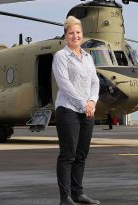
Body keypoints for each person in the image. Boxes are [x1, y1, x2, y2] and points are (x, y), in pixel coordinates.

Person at [52, 16, 100, 205]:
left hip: (87, 110)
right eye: (71, 33)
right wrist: (83, 103)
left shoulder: (88, 57)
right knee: (68, 154)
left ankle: (78, 193)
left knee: (81, 154)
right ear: (66, 35)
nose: (75, 36)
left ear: (82, 34)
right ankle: (65, 198)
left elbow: (95, 81)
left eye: (78, 32)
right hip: (68, 109)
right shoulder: (61, 57)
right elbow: (64, 85)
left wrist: (92, 101)